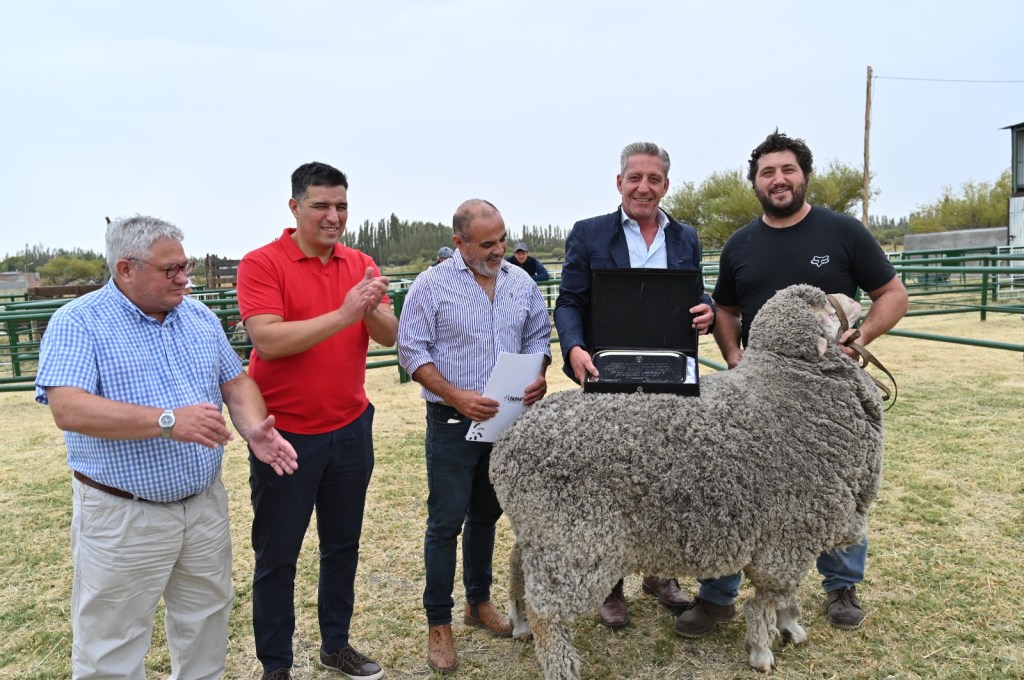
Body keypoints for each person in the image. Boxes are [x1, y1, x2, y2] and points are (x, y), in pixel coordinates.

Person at [34, 215, 299, 679]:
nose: (184, 278)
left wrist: (253, 427)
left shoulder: (198, 317)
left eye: (186, 265)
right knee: (110, 644)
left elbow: (235, 381)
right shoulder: (78, 322)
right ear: (125, 268)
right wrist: (167, 422)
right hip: (123, 514)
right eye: (170, 269)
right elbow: (69, 408)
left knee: (205, 625)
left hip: (201, 506)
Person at [675, 130, 909, 639]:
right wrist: (734, 357)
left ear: (803, 175)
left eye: (787, 170)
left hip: (830, 389)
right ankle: (718, 594)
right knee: (739, 487)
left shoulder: (843, 232)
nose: (778, 180)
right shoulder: (741, 243)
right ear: (755, 182)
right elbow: (728, 310)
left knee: (838, 481)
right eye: (767, 172)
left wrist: (860, 335)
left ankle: (841, 585)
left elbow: (891, 292)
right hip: (761, 392)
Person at [236, 162, 397, 680]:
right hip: (285, 434)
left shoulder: (361, 263)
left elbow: (390, 336)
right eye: (321, 205)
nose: (334, 217)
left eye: (342, 206)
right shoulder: (263, 263)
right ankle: (276, 665)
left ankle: (336, 645)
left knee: (342, 545)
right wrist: (347, 313)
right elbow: (268, 340)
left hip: (350, 427)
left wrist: (369, 307)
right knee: (278, 554)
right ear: (294, 208)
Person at [553, 141, 716, 628]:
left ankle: (660, 573)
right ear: (619, 182)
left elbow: (692, 291)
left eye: (654, 179)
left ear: (666, 185)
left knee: (669, 478)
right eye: (635, 177)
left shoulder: (685, 237)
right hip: (609, 373)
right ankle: (610, 584)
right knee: (610, 480)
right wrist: (574, 349)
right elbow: (568, 302)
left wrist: (705, 307)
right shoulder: (589, 234)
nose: (643, 187)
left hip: (670, 374)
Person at [397, 199, 552, 674]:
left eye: (502, 238)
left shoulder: (519, 281)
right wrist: (455, 396)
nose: (499, 249)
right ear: (459, 242)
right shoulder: (430, 285)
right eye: (487, 243)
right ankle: (438, 623)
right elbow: (411, 351)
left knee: (487, 515)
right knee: (445, 523)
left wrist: (539, 372)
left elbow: (538, 335)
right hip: (451, 422)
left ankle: (478, 603)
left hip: (506, 421)